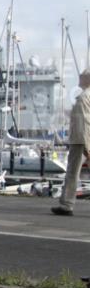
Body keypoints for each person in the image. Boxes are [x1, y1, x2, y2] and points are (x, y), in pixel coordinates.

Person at [52, 68, 90, 216]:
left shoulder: (83, 98)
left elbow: (83, 124)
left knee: (72, 173)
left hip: (80, 141)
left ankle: (67, 204)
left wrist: (87, 147)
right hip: (84, 140)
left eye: (82, 77)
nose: (79, 79)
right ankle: (66, 203)